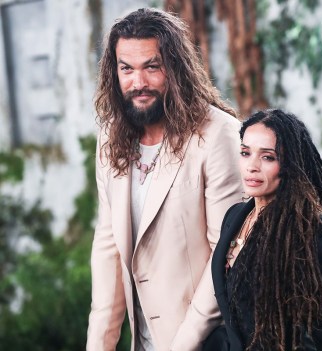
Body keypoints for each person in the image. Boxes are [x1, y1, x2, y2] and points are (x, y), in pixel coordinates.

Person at [86, 8, 243, 351]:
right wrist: (100, 344)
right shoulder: (112, 136)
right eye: (126, 69)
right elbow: (108, 246)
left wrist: (181, 344)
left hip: (205, 342)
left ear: (175, 68)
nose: (137, 83)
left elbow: (226, 254)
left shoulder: (219, 135)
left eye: (151, 67)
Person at [211, 109, 322, 350]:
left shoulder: (306, 228)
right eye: (245, 152)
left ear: (290, 164)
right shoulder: (235, 217)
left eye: (268, 157)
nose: (251, 166)